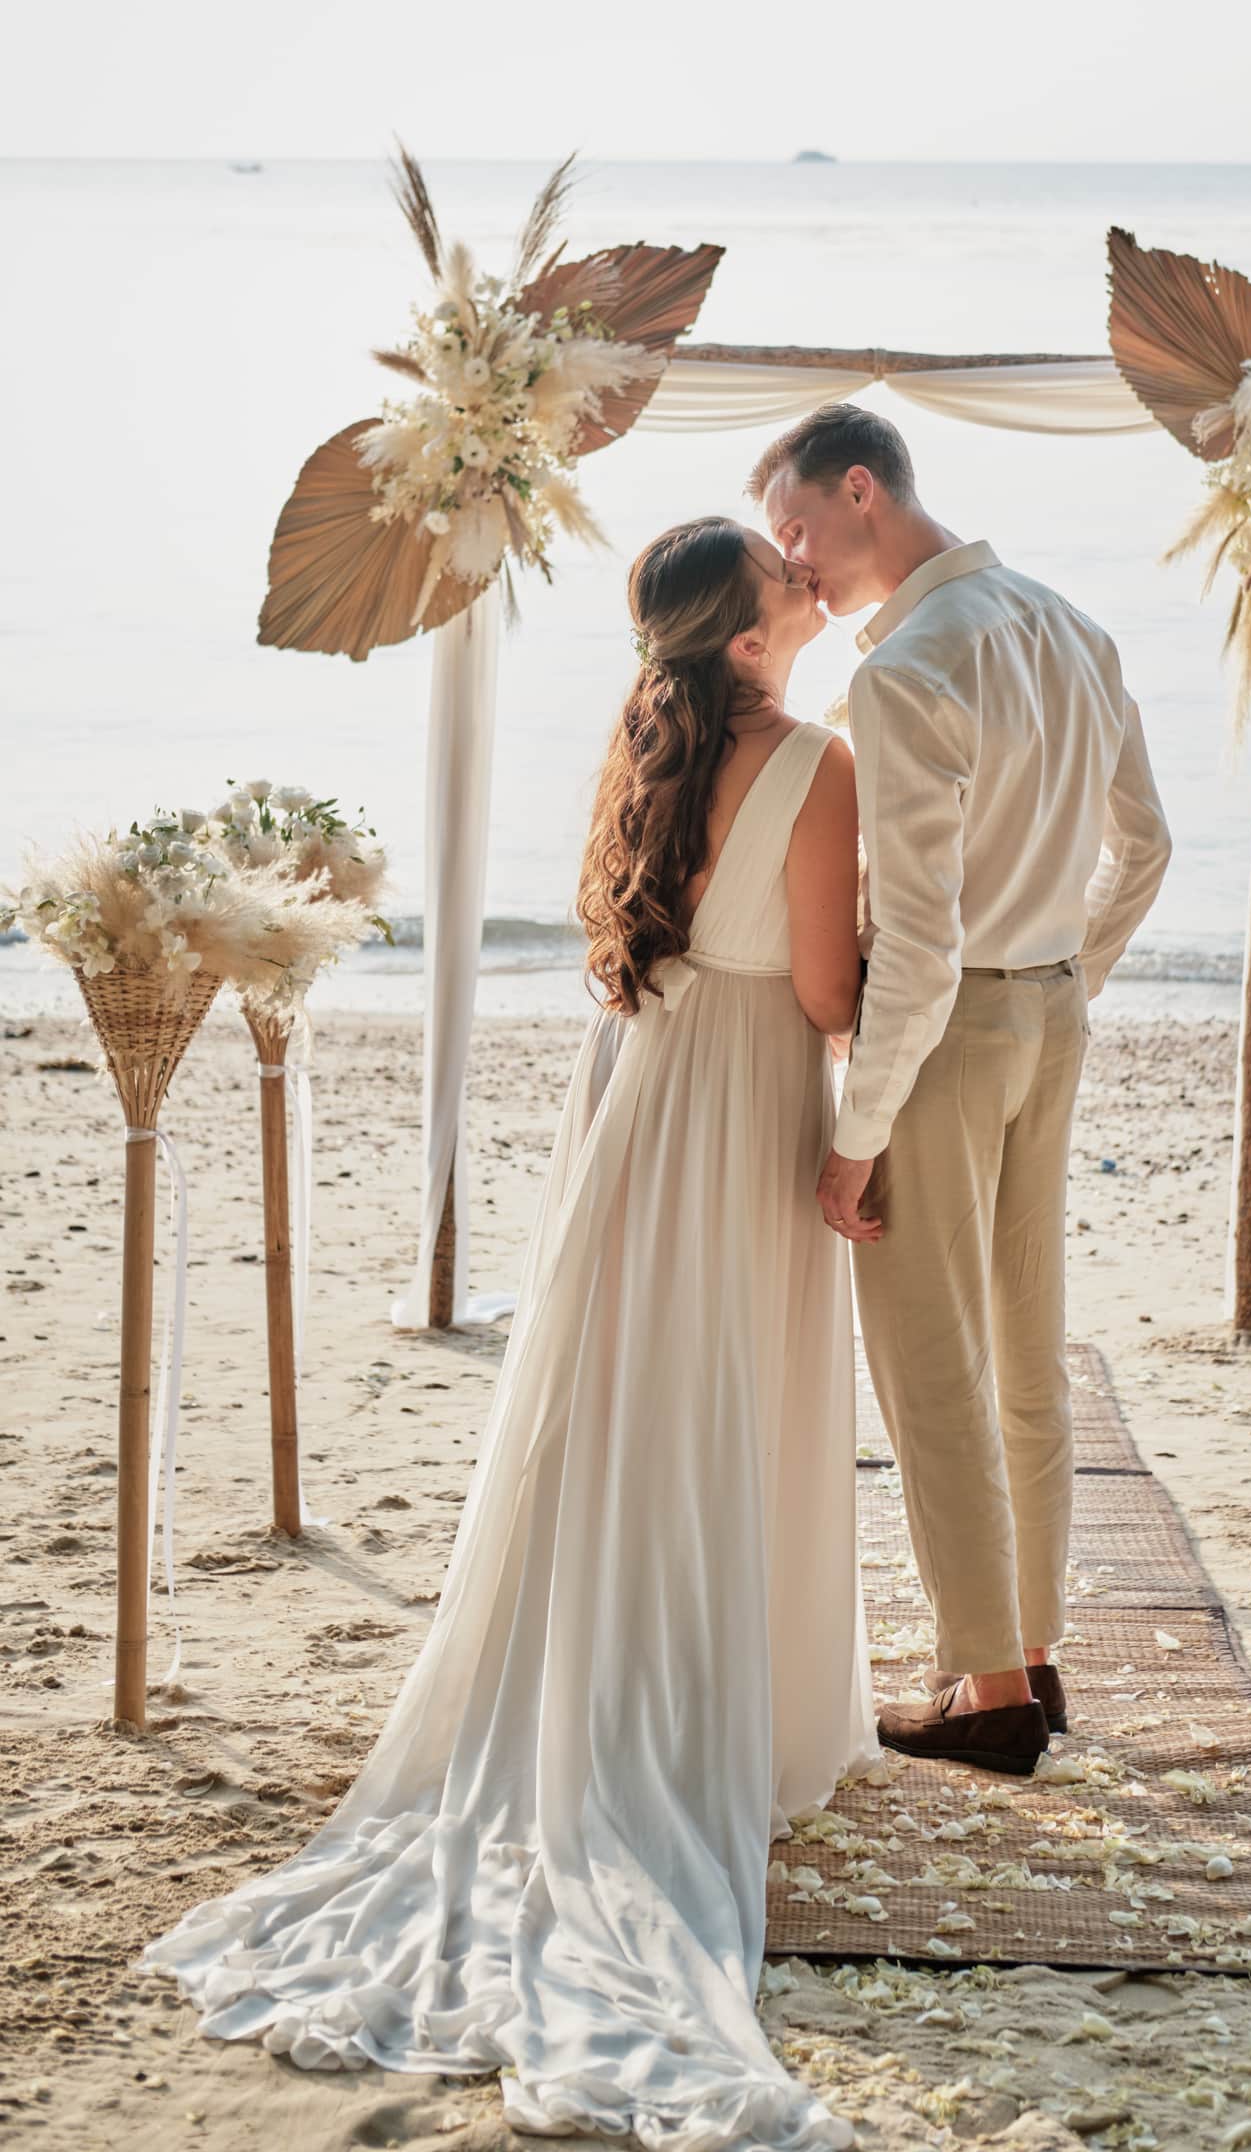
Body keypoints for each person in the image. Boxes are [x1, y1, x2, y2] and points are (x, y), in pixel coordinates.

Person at [144, 516, 877, 2147]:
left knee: (627, 1402)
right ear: (751, 638)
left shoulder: (645, 740)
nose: (803, 577)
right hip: (747, 1092)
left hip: (637, 1096)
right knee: (732, 1398)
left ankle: (613, 1685)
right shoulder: (816, 767)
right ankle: (716, 1729)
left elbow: (655, 939)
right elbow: (830, 997)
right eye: (783, 574)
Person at [752, 403, 1172, 1779]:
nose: (793, 561)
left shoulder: (907, 670)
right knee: (1025, 1348)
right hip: (1049, 1014)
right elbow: (1147, 848)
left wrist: (854, 1139)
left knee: (932, 1363)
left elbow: (919, 948)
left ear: (861, 491)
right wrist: (1065, 980)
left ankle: (986, 1690)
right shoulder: (1067, 623)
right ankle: (1032, 1654)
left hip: (948, 1036)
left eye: (798, 529)